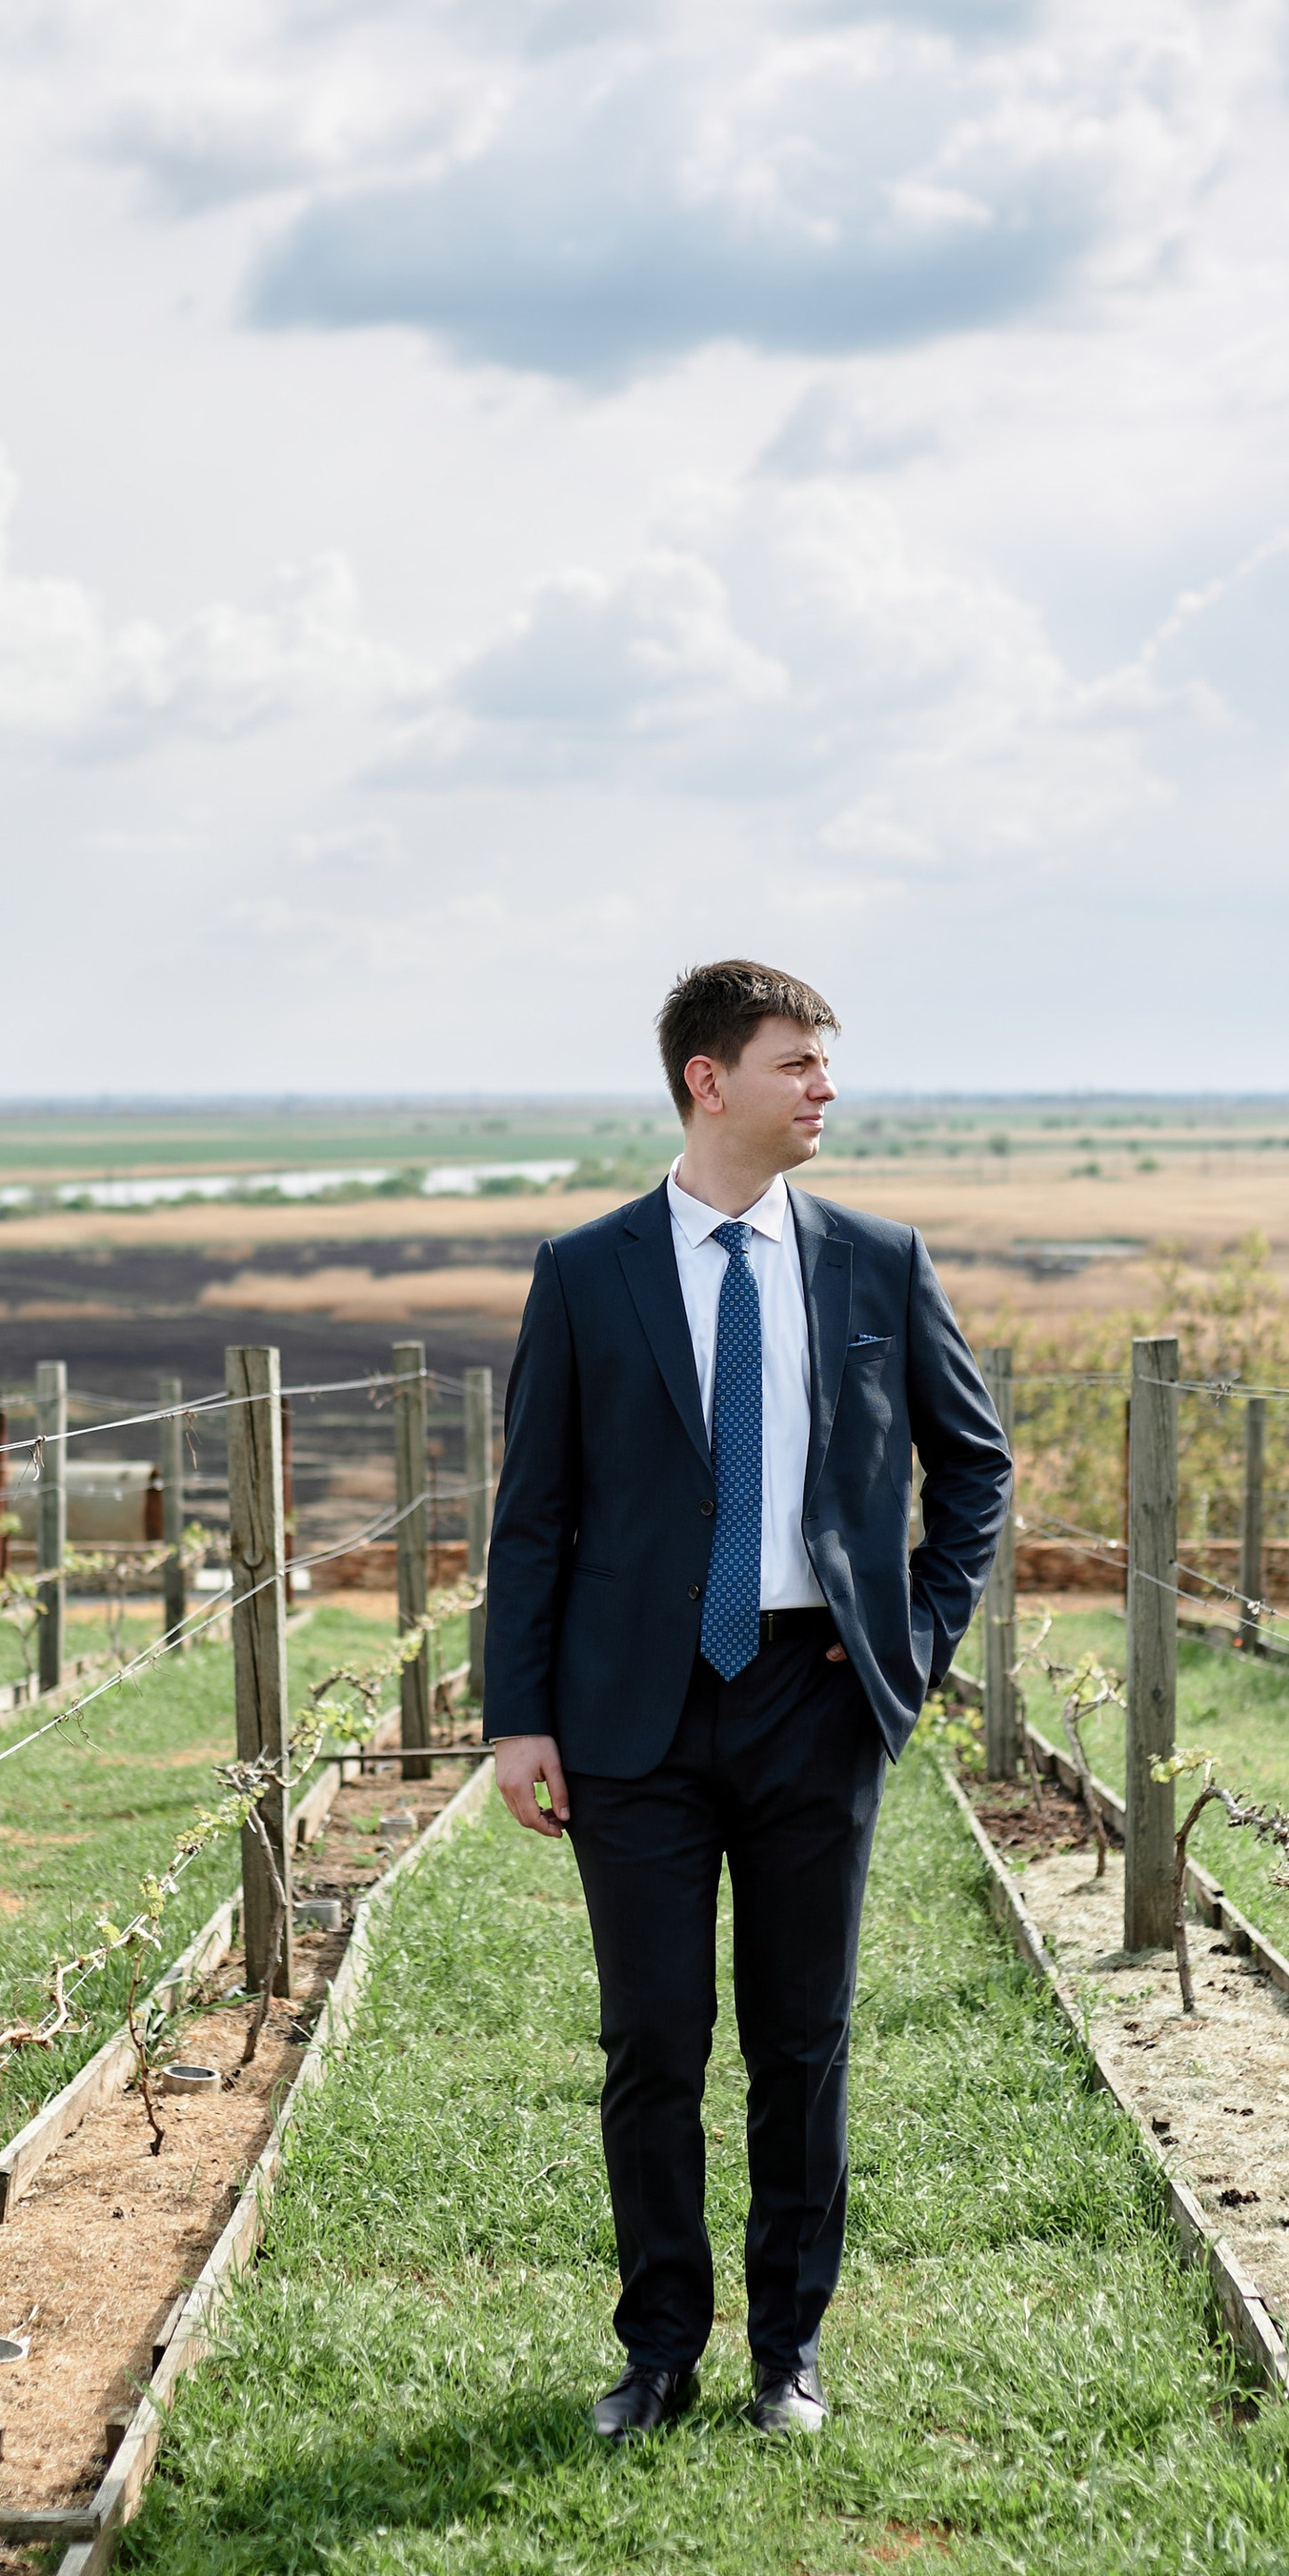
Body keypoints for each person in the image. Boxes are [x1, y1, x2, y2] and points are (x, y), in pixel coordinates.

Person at [482, 957, 1012, 2441]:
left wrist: (906, 1641)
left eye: (825, 1067)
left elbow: (972, 1471)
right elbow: (535, 1514)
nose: (824, 1089)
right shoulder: (585, 1274)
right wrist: (518, 1717)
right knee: (652, 2041)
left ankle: (790, 2351)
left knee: (801, 2037)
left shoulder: (879, 1263)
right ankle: (658, 2351)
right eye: (798, 1065)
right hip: (626, 1721)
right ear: (709, 1082)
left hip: (813, 1699)